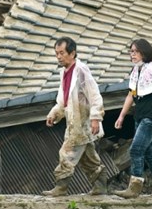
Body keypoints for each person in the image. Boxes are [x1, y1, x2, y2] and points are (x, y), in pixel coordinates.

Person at [42, 36, 107, 197]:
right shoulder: (64, 73)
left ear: (72, 53)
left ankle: (61, 187)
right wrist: (55, 114)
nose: (59, 56)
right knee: (88, 158)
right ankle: (100, 186)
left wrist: (95, 118)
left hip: (82, 122)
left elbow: (94, 95)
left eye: (62, 53)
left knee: (66, 153)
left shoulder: (81, 70)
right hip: (74, 122)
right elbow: (63, 100)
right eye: (56, 53)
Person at [114, 38, 152, 199]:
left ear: (144, 53)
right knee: (150, 152)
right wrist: (122, 115)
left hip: (150, 117)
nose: (132, 54)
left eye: (135, 51)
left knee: (136, 149)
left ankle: (135, 187)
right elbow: (131, 94)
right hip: (139, 116)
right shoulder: (136, 71)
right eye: (131, 51)